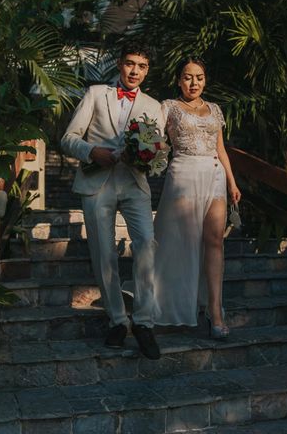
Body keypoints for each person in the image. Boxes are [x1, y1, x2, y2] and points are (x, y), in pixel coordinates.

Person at [60, 43, 166, 359]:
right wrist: (92, 152)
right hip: (97, 182)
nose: (135, 71)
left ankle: (144, 322)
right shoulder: (95, 94)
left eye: (142, 66)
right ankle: (118, 320)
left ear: (148, 71)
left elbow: (157, 148)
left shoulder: (153, 104)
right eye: (130, 64)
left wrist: (146, 157)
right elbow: (67, 139)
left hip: (134, 183)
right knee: (104, 253)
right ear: (120, 65)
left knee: (146, 243)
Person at [153, 57, 241, 338]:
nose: (194, 83)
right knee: (184, 242)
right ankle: (173, 305)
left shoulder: (214, 109)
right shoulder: (168, 107)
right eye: (188, 77)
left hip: (214, 174)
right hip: (183, 173)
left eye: (200, 77)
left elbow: (221, 148)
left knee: (215, 241)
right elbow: (152, 140)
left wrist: (231, 181)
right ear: (179, 80)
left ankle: (215, 312)